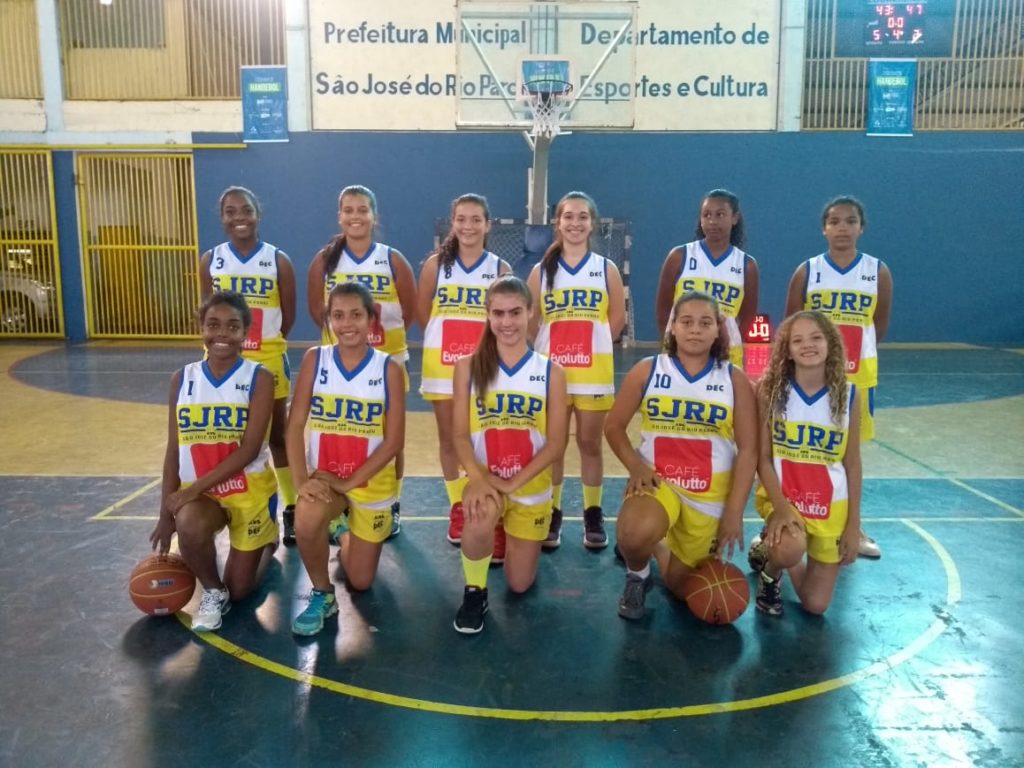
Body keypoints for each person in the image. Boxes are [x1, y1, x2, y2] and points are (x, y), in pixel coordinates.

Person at [605, 291, 757, 621]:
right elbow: (613, 426)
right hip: (659, 481)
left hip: (709, 495)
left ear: (718, 329)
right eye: (686, 321)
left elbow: (749, 450)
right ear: (672, 327)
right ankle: (638, 573)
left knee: (684, 589)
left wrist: (735, 511)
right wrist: (635, 466)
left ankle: (657, 547)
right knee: (634, 533)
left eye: (705, 323)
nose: (695, 329)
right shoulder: (648, 370)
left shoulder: (734, 379)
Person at [149, 291, 279, 632]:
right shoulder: (182, 379)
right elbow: (174, 450)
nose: (222, 333)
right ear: (201, 328)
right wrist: (165, 514)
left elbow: (249, 449)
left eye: (232, 326)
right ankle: (212, 591)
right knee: (188, 522)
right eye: (213, 324)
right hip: (206, 497)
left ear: (246, 332)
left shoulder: (259, 378)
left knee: (241, 590)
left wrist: (191, 491)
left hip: (249, 492)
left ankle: (269, 541)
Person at [286, 282, 406, 636]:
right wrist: (301, 482)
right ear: (328, 320)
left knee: (361, 581)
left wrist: (349, 482)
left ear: (371, 319)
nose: (347, 323)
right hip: (326, 476)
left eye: (356, 315)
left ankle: (342, 531)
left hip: (370, 482)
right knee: (306, 516)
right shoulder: (315, 359)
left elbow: (394, 441)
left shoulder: (388, 369)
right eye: (338, 315)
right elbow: (295, 425)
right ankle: (323, 593)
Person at [451, 275, 568, 634]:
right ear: (487, 315)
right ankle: (475, 591)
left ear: (531, 312)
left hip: (529, 486)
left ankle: (508, 534)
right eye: (498, 313)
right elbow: (459, 435)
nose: (507, 322)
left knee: (519, 584)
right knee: (479, 514)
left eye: (515, 312)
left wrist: (512, 483)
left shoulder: (551, 372)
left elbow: (556, 444)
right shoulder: (467, 367)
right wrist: (479, 479)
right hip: (486, 479)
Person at [783, 195, 891, 558]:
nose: (842, 228)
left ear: (862, 227)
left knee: (849, 454)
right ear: (823, 229)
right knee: (799, 448)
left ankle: (851, 526)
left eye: (850, 221)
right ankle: (783, 520)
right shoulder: (807, 271)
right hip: (809, 378)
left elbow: (878, 326)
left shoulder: (877, 272)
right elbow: (791, 325)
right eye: (834, 221)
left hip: (857, 378)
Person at [306, 185, 416, 539]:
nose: (356, 216)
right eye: (349, 210)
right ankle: (338, 504)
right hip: (337, 365)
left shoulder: (392, 260)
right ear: (340, 216)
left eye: (362, 210)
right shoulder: (324, 261)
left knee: (390, 437)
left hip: (387, 361)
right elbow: (316, 310)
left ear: (374, 216)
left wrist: (380, 344)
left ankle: (391, 502)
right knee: (340, 431)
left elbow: (409, 311)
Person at [199, 187, 298, 546]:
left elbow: (287, 316)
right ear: (222, 217)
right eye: (230, 211)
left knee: (277, 437)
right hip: (223, 361)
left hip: (267, 357)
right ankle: (228, 501)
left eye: (246, 210)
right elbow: (209, 313)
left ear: (258, 214)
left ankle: (291, 507)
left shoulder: (278, 261)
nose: (239, 217)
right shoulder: (211, 260)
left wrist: (265, 342)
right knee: (226, 434)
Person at [527, 192, 625, 550]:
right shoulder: (541, 271)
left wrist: (593, 346)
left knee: (589, 443)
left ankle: (592, 512)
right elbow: (531, 321)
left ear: (592, 223)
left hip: (593, 372)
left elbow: (617, 319)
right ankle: (552, 511)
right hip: (553, 373)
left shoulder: (606, 269)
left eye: (582, 216)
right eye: (568, 216)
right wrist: (549, 350)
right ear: (558, 222)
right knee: (553, 446)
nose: (575, 223)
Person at [747, 311, 862, 616]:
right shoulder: (772, 391)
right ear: (787, 350)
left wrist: (853, 525)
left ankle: (767, 549)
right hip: (785, 499)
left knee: (816, 605)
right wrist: (781, 507)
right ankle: (771, 570)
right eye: (797, 340)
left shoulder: (849, 395)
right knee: (790, 547)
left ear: (830, 343)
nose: (807, 345)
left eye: (816, 337)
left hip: (830, 506)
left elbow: (852, 463)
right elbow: (763, 458)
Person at [418, 193, 511, 546]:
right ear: (452, 222)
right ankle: (459, 505)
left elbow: (505, 321)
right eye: (461, 219)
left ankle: (487, 507)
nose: (468, 226)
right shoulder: (435, 266)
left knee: (484, 440)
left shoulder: (500, 269)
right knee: (449, 439)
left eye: (475, 219)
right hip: (442, 365)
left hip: (485, 368)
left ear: (488, 225)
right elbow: (423, 313)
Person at [654, 189, 759, 369]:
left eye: (720, 214)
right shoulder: (679, 256)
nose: (712, 221)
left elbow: (747, 317)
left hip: (726, 354)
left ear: (735, 218)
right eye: (707, 215)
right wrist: (672, 341)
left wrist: (728, 340)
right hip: (681, 351)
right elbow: (663, 310)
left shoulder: (746, 265)